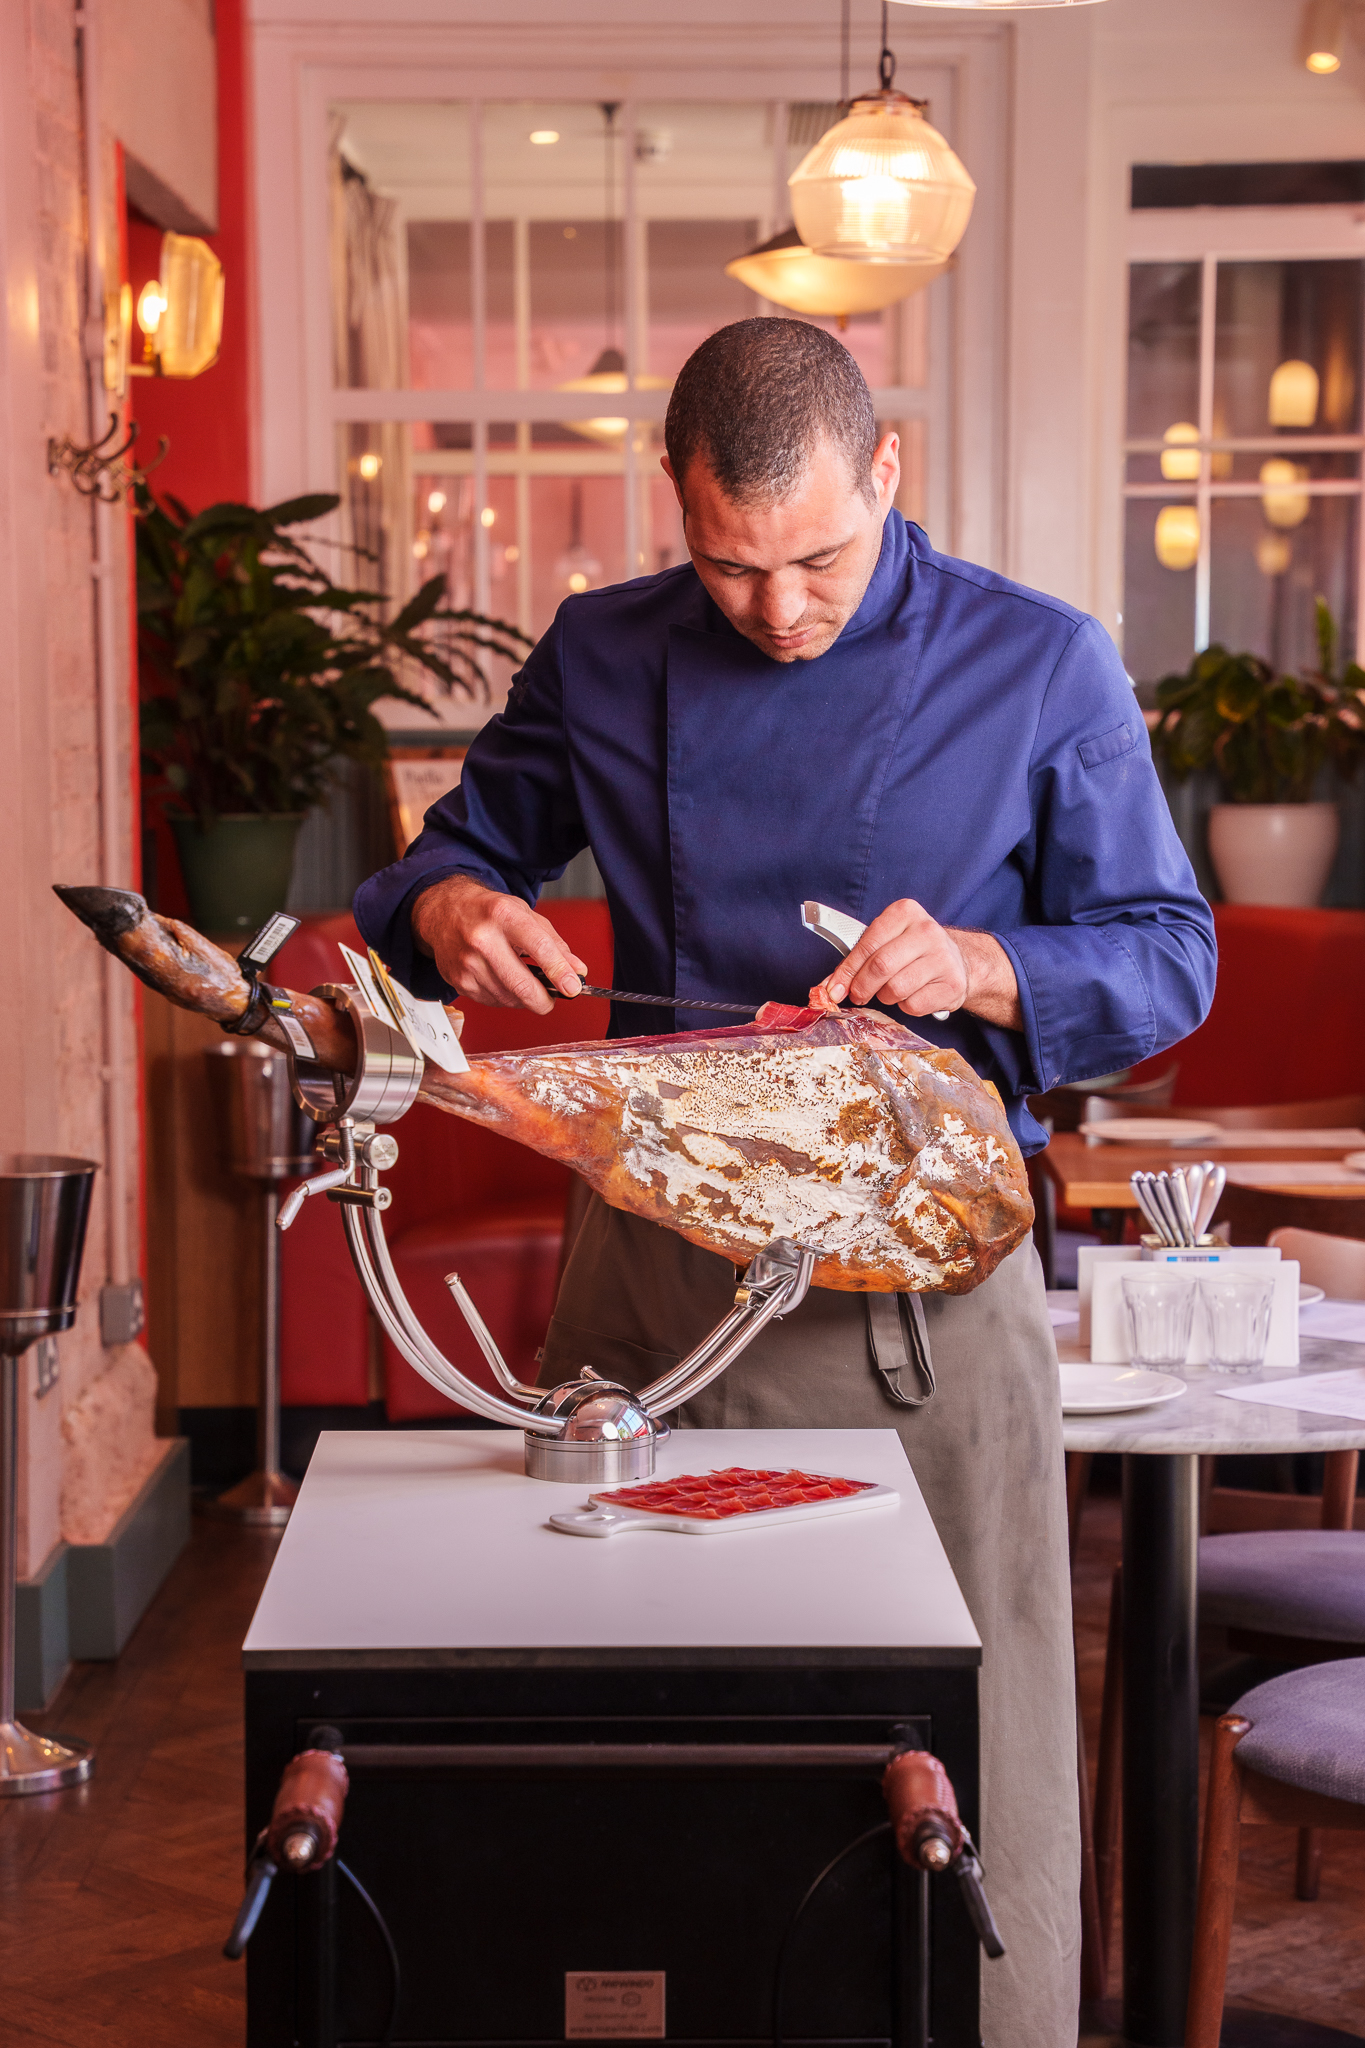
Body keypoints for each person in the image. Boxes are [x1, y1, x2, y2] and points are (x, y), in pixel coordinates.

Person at [355, 318, 1216, 2044]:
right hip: (649, 1278)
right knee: (637, 1705)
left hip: (917, 1294)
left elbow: (1167, 959)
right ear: (675, 511)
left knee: (968, 1721)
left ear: (886, 476)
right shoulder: (600, 651)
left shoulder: (1036, 661)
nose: (774, 606)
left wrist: (978, 964)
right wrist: (452, 909)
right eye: (727, 563)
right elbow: (449, 859)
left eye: (815, 556)